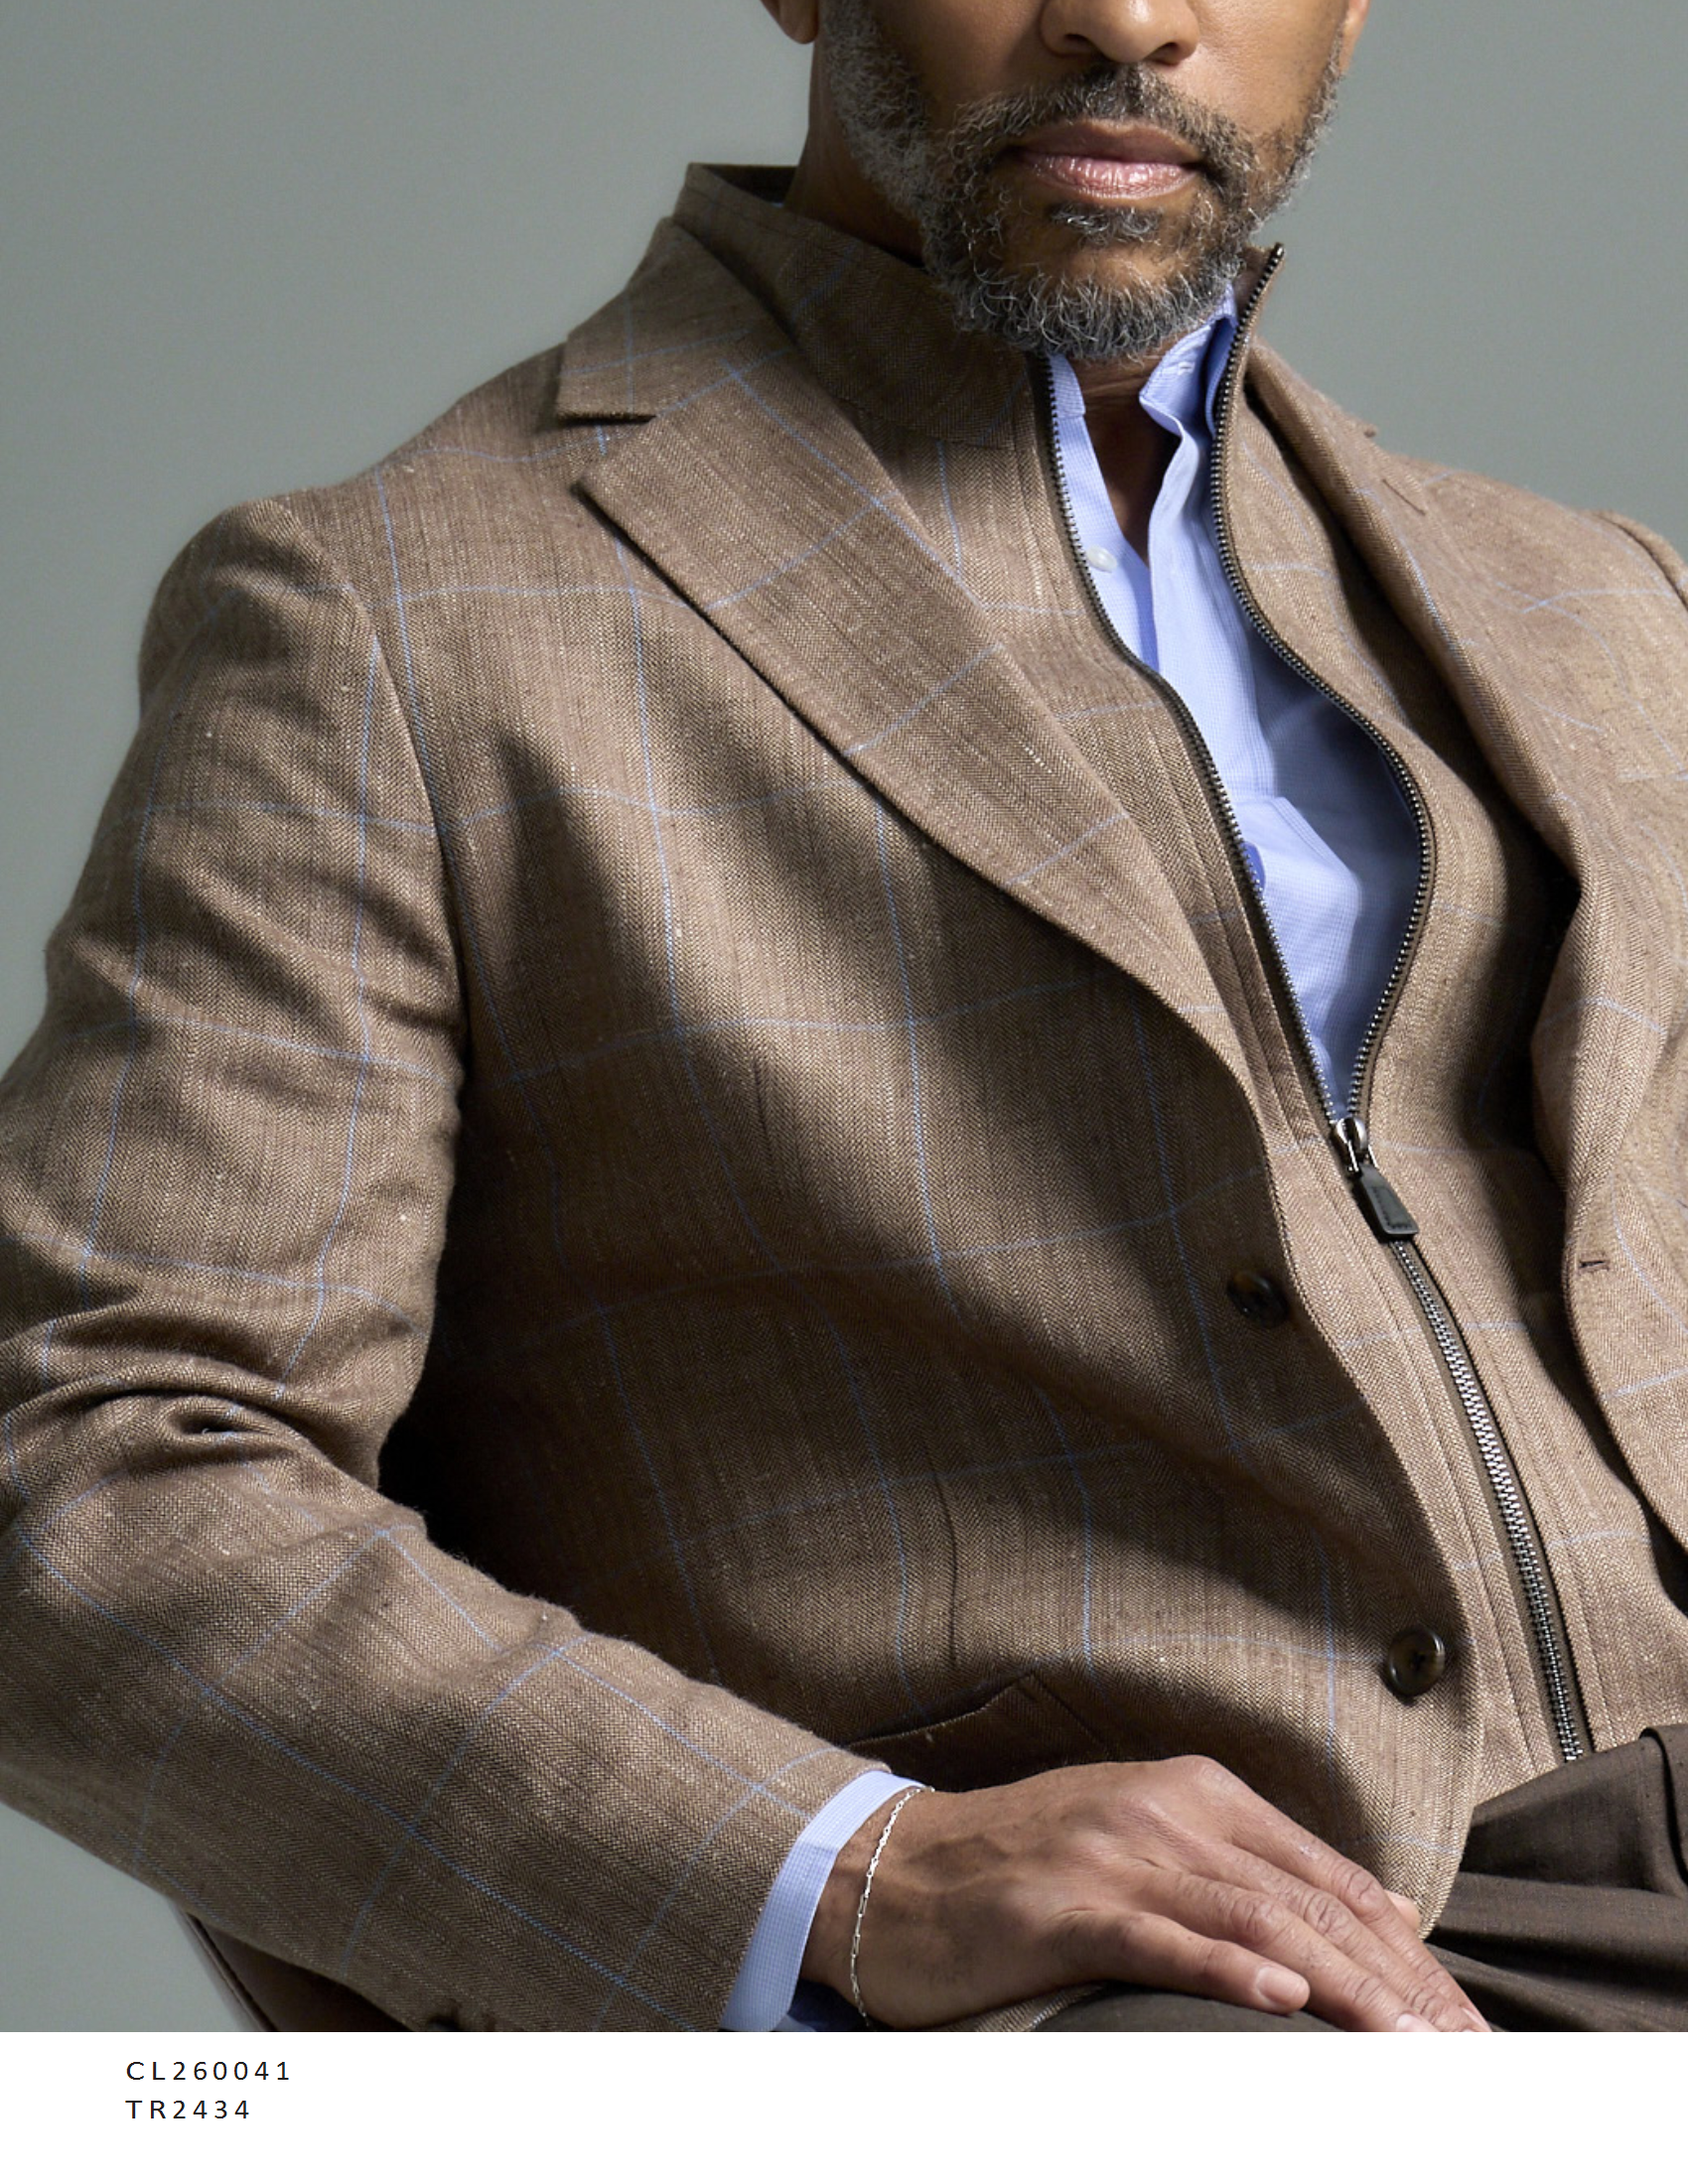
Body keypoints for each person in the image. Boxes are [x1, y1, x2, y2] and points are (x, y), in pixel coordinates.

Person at [3, 0, 1688, 2036]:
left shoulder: (1596, 609)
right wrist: (844, 1856)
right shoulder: (392, 624)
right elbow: (89, 1475)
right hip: (1199, 2011)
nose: (1128, 17)